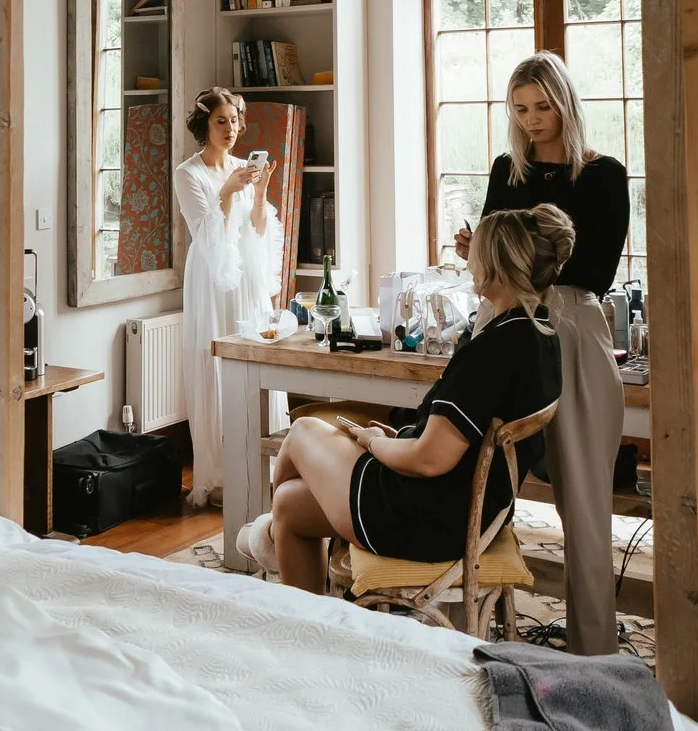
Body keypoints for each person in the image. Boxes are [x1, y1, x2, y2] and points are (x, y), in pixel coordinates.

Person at [240, 206, 568, 595]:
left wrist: (375, 444)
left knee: (302, 430)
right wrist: (399, 437)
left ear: (498, 264)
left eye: (476, 253)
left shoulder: (491, 351)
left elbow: (429, 460)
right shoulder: (539, 335)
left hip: (425, 517)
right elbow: (459, 441)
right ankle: (304, 605)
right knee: (291, 507)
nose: (470, 264)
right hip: (471, 511)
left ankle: (266, 538)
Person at [447, 52, 627, 656]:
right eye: (521, 109)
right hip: (503, 318)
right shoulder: (508, 169)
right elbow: (496, 261)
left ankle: (593, 650)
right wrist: (478, 250)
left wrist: (513, 249)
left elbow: (597, 268)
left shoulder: (603, 175)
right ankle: (455, 625)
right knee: (463, 470)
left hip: (572, 323)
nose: (531, 120)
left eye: (543, 107)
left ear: (566, 103)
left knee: (584, 497)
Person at [174, 87, 280, 507]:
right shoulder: (189, 174)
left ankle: (266, 467)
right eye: (222, 121)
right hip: (212, 281)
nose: (231, 129)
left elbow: (256, 230)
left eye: (235, 120)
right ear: (205, 125)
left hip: (245, 277)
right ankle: (219, 477)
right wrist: (228, 192)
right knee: (215, 369)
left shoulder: (242, 167)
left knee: (256, 362)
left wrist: (257, 194)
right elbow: (205, 234)